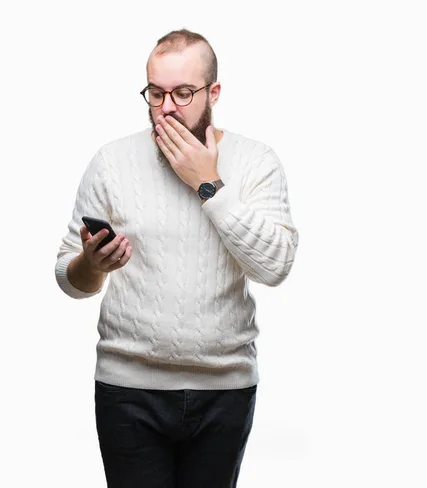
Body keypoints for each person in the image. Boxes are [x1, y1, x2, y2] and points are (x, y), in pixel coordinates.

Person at [54, 29, 298, 488]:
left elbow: (275, 266)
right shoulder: (112, 161)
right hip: (128, 390)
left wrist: (208, 184)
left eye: (183, 93)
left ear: (214, 92)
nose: (166, 107)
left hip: (225, 390)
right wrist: (92, 265)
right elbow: (69, 278)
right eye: (155, 93)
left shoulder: (255, 161)